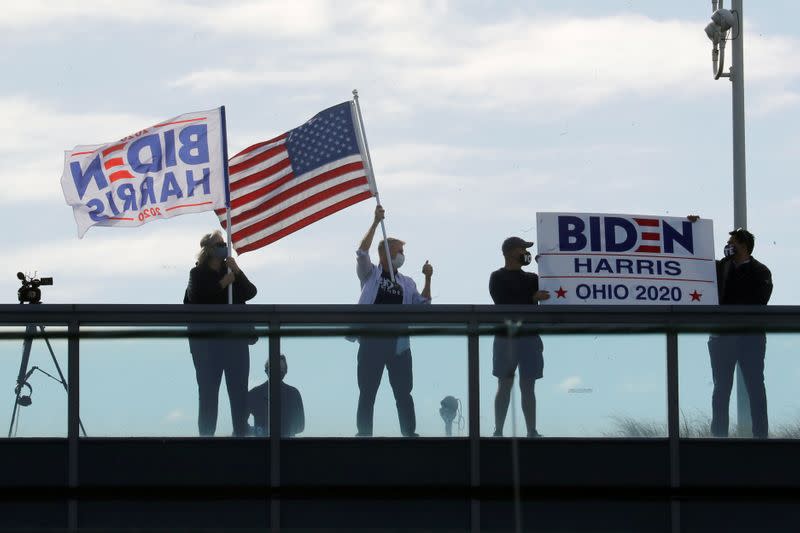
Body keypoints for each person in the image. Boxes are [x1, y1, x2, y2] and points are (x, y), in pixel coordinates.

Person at [355, 205, 433, 437]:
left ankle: (409, 433)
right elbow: (361, 252)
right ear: (386, 253)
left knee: (403, 392)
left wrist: (427, 278)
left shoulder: (407, 282)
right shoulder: (371, 275)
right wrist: (376, 222)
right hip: (371, 341)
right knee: (367, 391)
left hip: (399, 344)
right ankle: (364, 434)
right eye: (398, 251)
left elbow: (424, 305)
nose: (402, 255)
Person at [184, 230, 257, 437]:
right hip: (208, 346)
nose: (224, 246)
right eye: (219, 244)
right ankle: (207, 437)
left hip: (236, 343)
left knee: (238, 392)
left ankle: (240, 433)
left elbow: (251, 292)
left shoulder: (231, 272)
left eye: (224, 243)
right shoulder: (197, 274)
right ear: (208, 250)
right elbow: (198, 297)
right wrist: (224, 282)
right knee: (208, 393)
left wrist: (237, 272)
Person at [707, 226, 773, 438]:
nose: (729, 246)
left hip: (750, 339)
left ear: (744, 246)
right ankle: (719, 438)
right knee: (721, 391)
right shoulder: (721, 268)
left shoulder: (761, 272)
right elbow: (695, 263)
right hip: (722, 338)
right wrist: (692, 226)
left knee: (755, 388)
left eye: (733, 242)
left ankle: (760, 437)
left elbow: (759, 301)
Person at [489, 236, 550, 438]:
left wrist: (549, 264)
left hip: (530, 337)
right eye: (522, 248)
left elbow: (551, 284)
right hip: (506, 338)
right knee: (504, 384)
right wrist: (532, 298)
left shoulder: (533, 278)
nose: (525, 252)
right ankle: (498, 430)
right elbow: (503, 302)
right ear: (510, 252)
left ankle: (532, 430)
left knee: (528, 385)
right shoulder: (497, 277)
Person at [247, 354, 305, 437]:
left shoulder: (255, 393)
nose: (277, 372)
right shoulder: (293, 393)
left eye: (280, 369)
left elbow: (300, 425)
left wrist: (260, 431)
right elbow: (300, 426)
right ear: (266, 370)